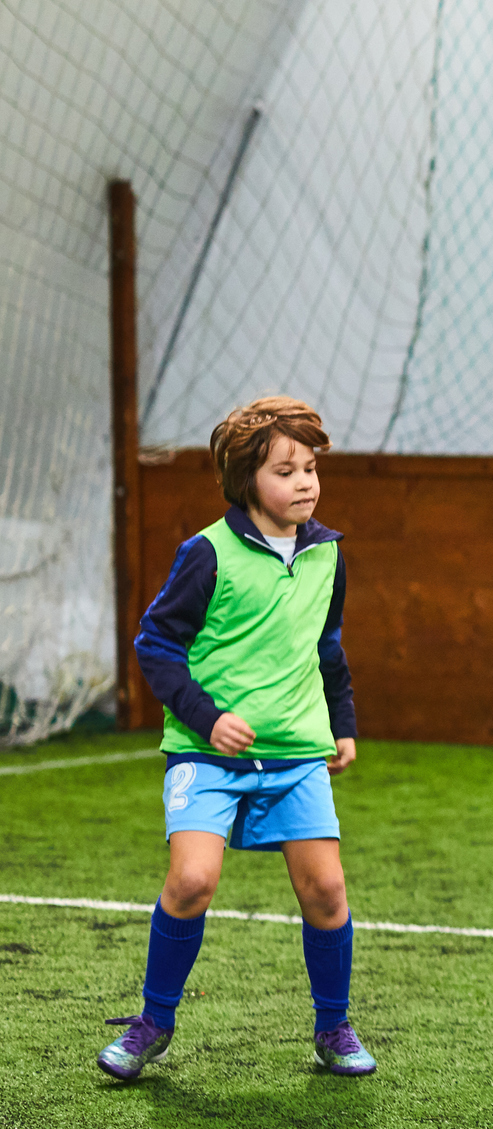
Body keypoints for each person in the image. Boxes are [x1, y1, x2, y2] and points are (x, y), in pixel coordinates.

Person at [99, 397, 372, 1081]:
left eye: (311, 468)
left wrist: (340, 724)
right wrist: (207, 715)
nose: (305, 482)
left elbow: (327, 646)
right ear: (246, 479)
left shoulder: (328, 555)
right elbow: (156, 643)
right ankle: (153, 1024)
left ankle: (332, 1027)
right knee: (192, 880)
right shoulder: (206, 554)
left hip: (296, 754)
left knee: (328, 892)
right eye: (287, 470)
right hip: (206, 752)